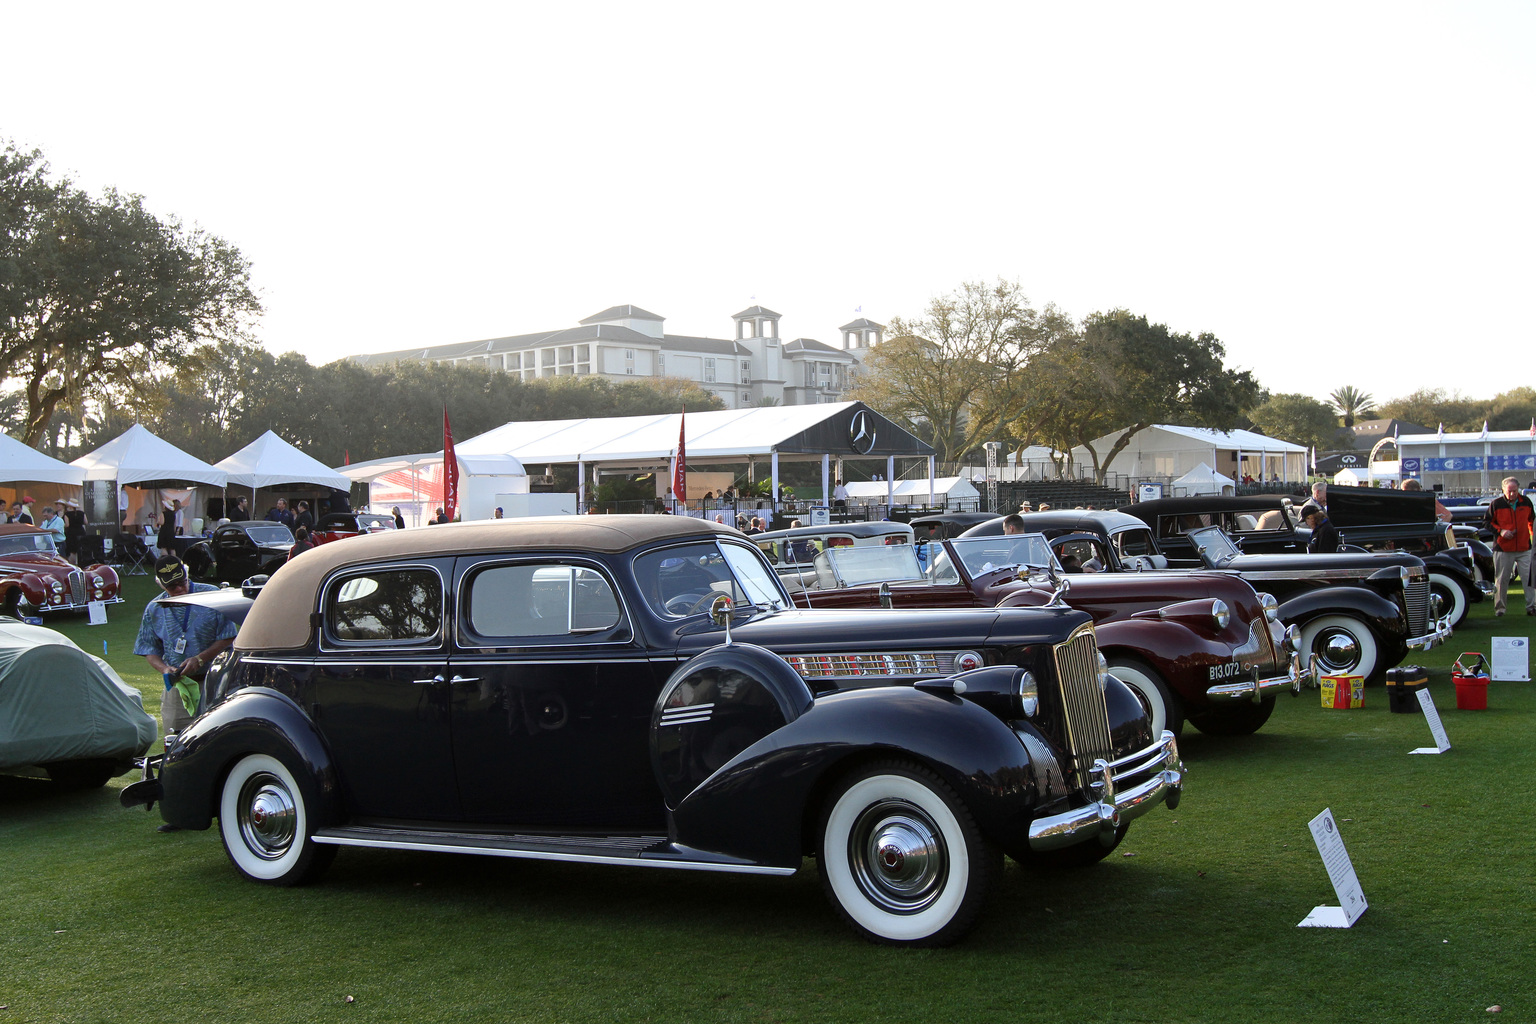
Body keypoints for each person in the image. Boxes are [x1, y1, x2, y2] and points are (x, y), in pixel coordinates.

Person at [134, 556, 238, 830]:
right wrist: (164, 668)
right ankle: (181, 812)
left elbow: (229, 636)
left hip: (216, 678)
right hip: (178, 685)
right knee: (176, 746)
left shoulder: (213, 596)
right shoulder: (155, 608)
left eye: (181, 583)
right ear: (160, 584)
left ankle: (228, 806)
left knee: (219, 740)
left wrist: (201, 659)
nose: (178, 589)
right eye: (171, 586)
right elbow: (148, 648)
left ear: (187, 575)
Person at [1484, 476, 1535, 616]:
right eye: (1509, 491)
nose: (1512, 494)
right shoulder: (1496, 504)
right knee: (1501, 580)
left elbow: (1532, 521)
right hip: (1503, 549)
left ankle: (1532, 607)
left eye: (1515, 491)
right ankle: (1500, 609)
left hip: (1525, 548)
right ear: (1503, 490)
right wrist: (1501, 531)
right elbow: (1487, 523)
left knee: (1530, 578)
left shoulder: (1526, 502)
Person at [61, 499, 87, 564]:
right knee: (81, 549)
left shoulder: (67, 514)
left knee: (72, 551)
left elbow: (67, 525)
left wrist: (61, 526)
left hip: (71, 533)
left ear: (70, 507)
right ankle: (81, 563)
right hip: (81, 532)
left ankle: (73, 564)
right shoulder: (81, 513)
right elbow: (86, 522)